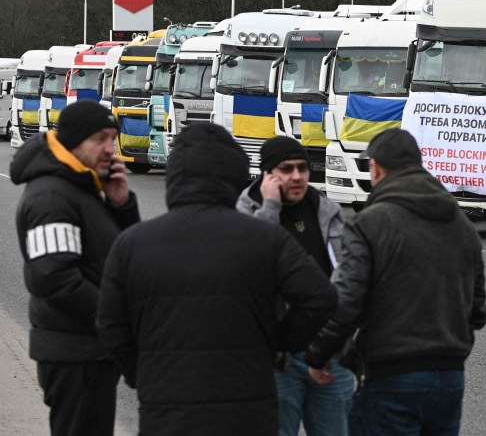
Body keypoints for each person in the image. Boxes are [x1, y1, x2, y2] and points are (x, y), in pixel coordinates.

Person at [95, 123, 338, 436]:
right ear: (235, 175)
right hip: (248, 409)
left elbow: (109, 324)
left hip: (166, 409)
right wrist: (279, 345)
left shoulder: (132, 244)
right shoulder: (265, 238)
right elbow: (321, 298)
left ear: (175, 175)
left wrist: (140, 374)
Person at [303, 128, 486, 436]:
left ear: (376, 167)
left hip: (392, 374)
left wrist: (319, 353)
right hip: (450, 376)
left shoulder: (369, 223)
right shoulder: (462, 226)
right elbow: (477, 311)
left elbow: (348, 299)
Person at [11, 100, 139, 436]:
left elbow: (122, 258)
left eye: (113, 138)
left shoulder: (82, 186)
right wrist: (114, 321)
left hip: (89, 349)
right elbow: (54, 279)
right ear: (73, 141)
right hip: (74, 354)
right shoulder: (51, 197)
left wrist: (121, 206)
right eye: (100, 139)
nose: (110, 149)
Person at [236, 135, 353, 436]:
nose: (298, 176)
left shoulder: (327, 211)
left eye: (302, 167)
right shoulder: (245, 214)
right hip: (277, 361)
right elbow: (254, 269)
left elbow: (348, 278)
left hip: (329, 353)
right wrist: (271, 207)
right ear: (267, 175)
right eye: (286, 169)